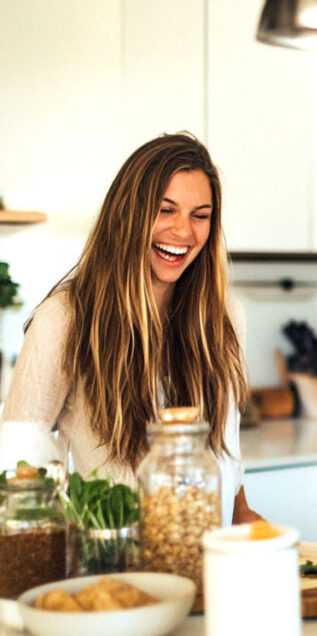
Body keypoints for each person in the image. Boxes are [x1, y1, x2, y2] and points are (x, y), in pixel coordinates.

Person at [0, 132, 261, 525]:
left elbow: (227, 447)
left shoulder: (225, 318)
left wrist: (243, 518)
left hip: (212, 562)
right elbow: (20, 467)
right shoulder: (65, 319)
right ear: (128, 213)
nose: (183, 232)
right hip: (117, 570)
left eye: (200, 215)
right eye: (165, 209)